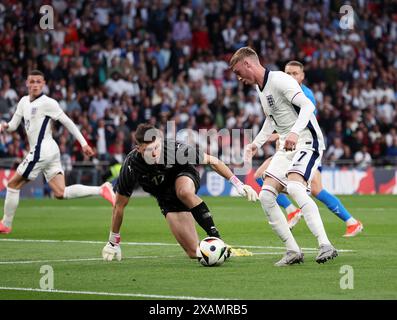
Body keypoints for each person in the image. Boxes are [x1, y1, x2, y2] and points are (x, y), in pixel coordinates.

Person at [230, 47, 338, 266]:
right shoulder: (261, 89)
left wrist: (294, 132)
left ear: (248, 64)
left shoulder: (279, 80)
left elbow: (308, 105)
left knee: (296, 188)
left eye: (238, 71)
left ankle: (325, 244)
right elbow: (271, 120)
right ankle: (292, 250)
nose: (238, 77)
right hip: (286, 147)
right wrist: (255, 144)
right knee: (266, 196)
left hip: (307, 141)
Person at [102, 123, 258, 261]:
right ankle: (214, 249)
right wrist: (113, 241)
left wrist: (238, 184)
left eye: (157, 147)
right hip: (165, 198)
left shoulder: (175, 150)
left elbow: (213, 161)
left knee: (183, 192)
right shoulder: (131, 166)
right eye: (149, 150)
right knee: (194, 252)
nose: (155, 153)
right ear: (139, 149)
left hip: (185, 176)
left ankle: (219, 241)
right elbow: (119, 206)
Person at [254, 61, 363, 237]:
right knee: (262, 177)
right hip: (290, 147)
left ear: (302, 76)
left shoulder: (305, 95)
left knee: (311, 188)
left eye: (295, 73)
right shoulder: (281, 89)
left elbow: (303, 122)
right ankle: (349, 222)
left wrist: (277, 137)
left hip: (305, 145)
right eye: (287, 73)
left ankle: (348, 222)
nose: (291, 76)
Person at [0, 70, 115, 234]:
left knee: (13, 185)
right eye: (32, 82)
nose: (35, 85)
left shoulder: (48, 103)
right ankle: (101, 189)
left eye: (38, 82)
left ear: (44, 84)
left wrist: (84, 144)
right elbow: (12, 125)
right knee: (61, 192)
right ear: (26, 83)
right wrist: (4, 126)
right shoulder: (23, 102)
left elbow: (68, 122)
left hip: (43, 149)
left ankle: (6, 223)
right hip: (49, 151)